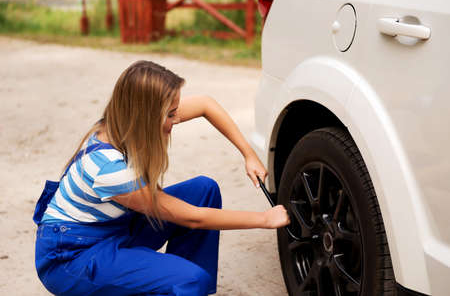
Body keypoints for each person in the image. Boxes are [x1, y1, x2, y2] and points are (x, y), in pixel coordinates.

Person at [33, 60, 290, 296]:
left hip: (113, 228)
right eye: (170, 114)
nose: (176, 120)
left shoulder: (122, 123)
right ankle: (185, 284)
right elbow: (193, 217)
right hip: (73, 257)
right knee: (190, 280)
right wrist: (265, 219)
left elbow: (205, 104)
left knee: (204, 190)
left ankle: (182, 286)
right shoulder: (109, 170)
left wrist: (248, 154)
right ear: (145, 114)